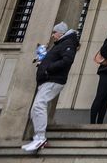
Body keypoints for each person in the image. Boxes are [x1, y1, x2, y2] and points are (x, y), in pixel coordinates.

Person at [21, 22, 79, 153]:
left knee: (38, 105)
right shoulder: (61, 43)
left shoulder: (68, 43)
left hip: (53, 80)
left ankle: (40, 138)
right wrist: (44, 62)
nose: (52, 35)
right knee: (36, 108)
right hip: (48, 79)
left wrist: (48, 68)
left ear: (61, 33)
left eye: (54, 32)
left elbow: (67, 60)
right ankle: (38, 138)